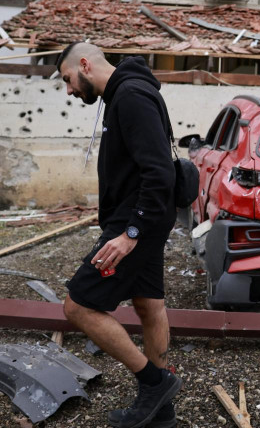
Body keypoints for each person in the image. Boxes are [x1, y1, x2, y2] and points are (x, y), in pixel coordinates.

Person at [57, 42, 182, 428]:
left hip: (137, 221)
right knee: (148, 304)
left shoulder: (130, 97)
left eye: (67, 80)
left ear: (84, 65)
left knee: (78, 306)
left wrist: (130, 232)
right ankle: (161, 413)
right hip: (143, 217)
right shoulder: (125, 94)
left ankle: (154, 382)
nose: (69, 90)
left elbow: (160, 172)